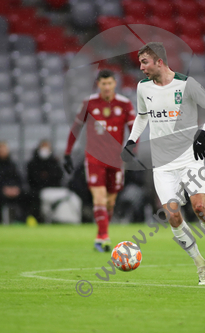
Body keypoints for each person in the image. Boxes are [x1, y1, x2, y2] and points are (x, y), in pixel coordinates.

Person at [121, 42, 205, 285]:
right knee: (172, 216)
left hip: (189, 159)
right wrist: (131, 140)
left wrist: (202, 133)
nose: (141, 68)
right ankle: (199, 264)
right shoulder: (143, 88)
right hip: (162, 164)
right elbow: (142, 116)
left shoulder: (186, 84)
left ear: (159, 62)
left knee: (200, 209)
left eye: (145, 62)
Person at [63, 69, 136, 252]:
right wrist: (67, 152)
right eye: (103, 84)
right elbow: (76, 128)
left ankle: (101, 233)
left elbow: (135, 130)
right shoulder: (89, 103)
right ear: (98, 84)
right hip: (94, 157)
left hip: (116, 159)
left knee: (110, 201)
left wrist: (131, 148)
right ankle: (103, 236)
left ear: (114, 84)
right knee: (99, 197)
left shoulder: (125, 104)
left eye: (109, 83)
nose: (106, 87)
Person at [27, 140, 63, 222]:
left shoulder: (55, 162)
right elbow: (31, 179)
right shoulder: (32, 163)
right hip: (37, 190)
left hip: (53, 190)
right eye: (43, 147)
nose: (45, 149)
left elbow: (59, 177)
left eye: (47, 147)